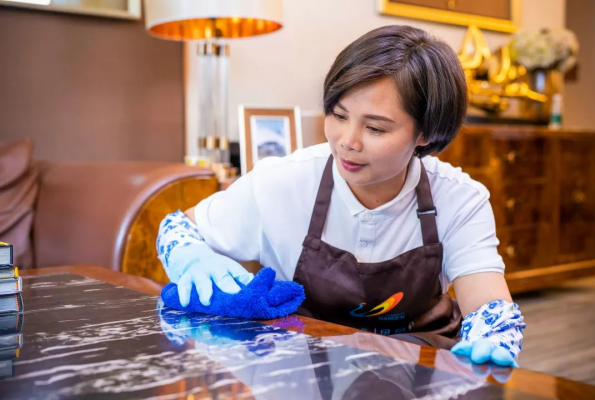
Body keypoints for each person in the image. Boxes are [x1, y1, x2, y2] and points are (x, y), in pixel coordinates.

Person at [156, 25, 525, 367]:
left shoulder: (459, 199)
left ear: (425, 133)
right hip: (303, 363)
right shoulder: (284, 181)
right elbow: (178, 227)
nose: (347, 142)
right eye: (338, 114)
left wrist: (493, 334)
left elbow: (487, 302)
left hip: (422, 364)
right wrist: (191, 256)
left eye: (375, 127)